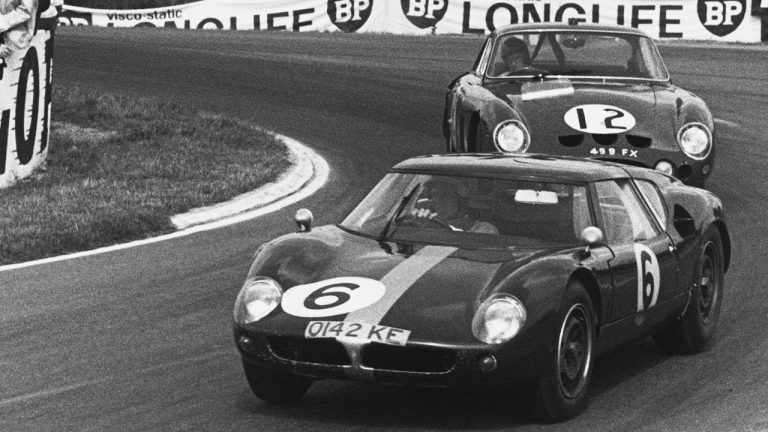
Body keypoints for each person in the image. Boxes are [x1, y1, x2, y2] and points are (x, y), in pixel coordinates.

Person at [408, 179, 498, 234]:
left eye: (445, 195)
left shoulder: (485, 229)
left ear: (460, 200)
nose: (437, 201)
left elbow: (469, 249)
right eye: (435, 194)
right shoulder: (426, 223)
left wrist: (440, 230)